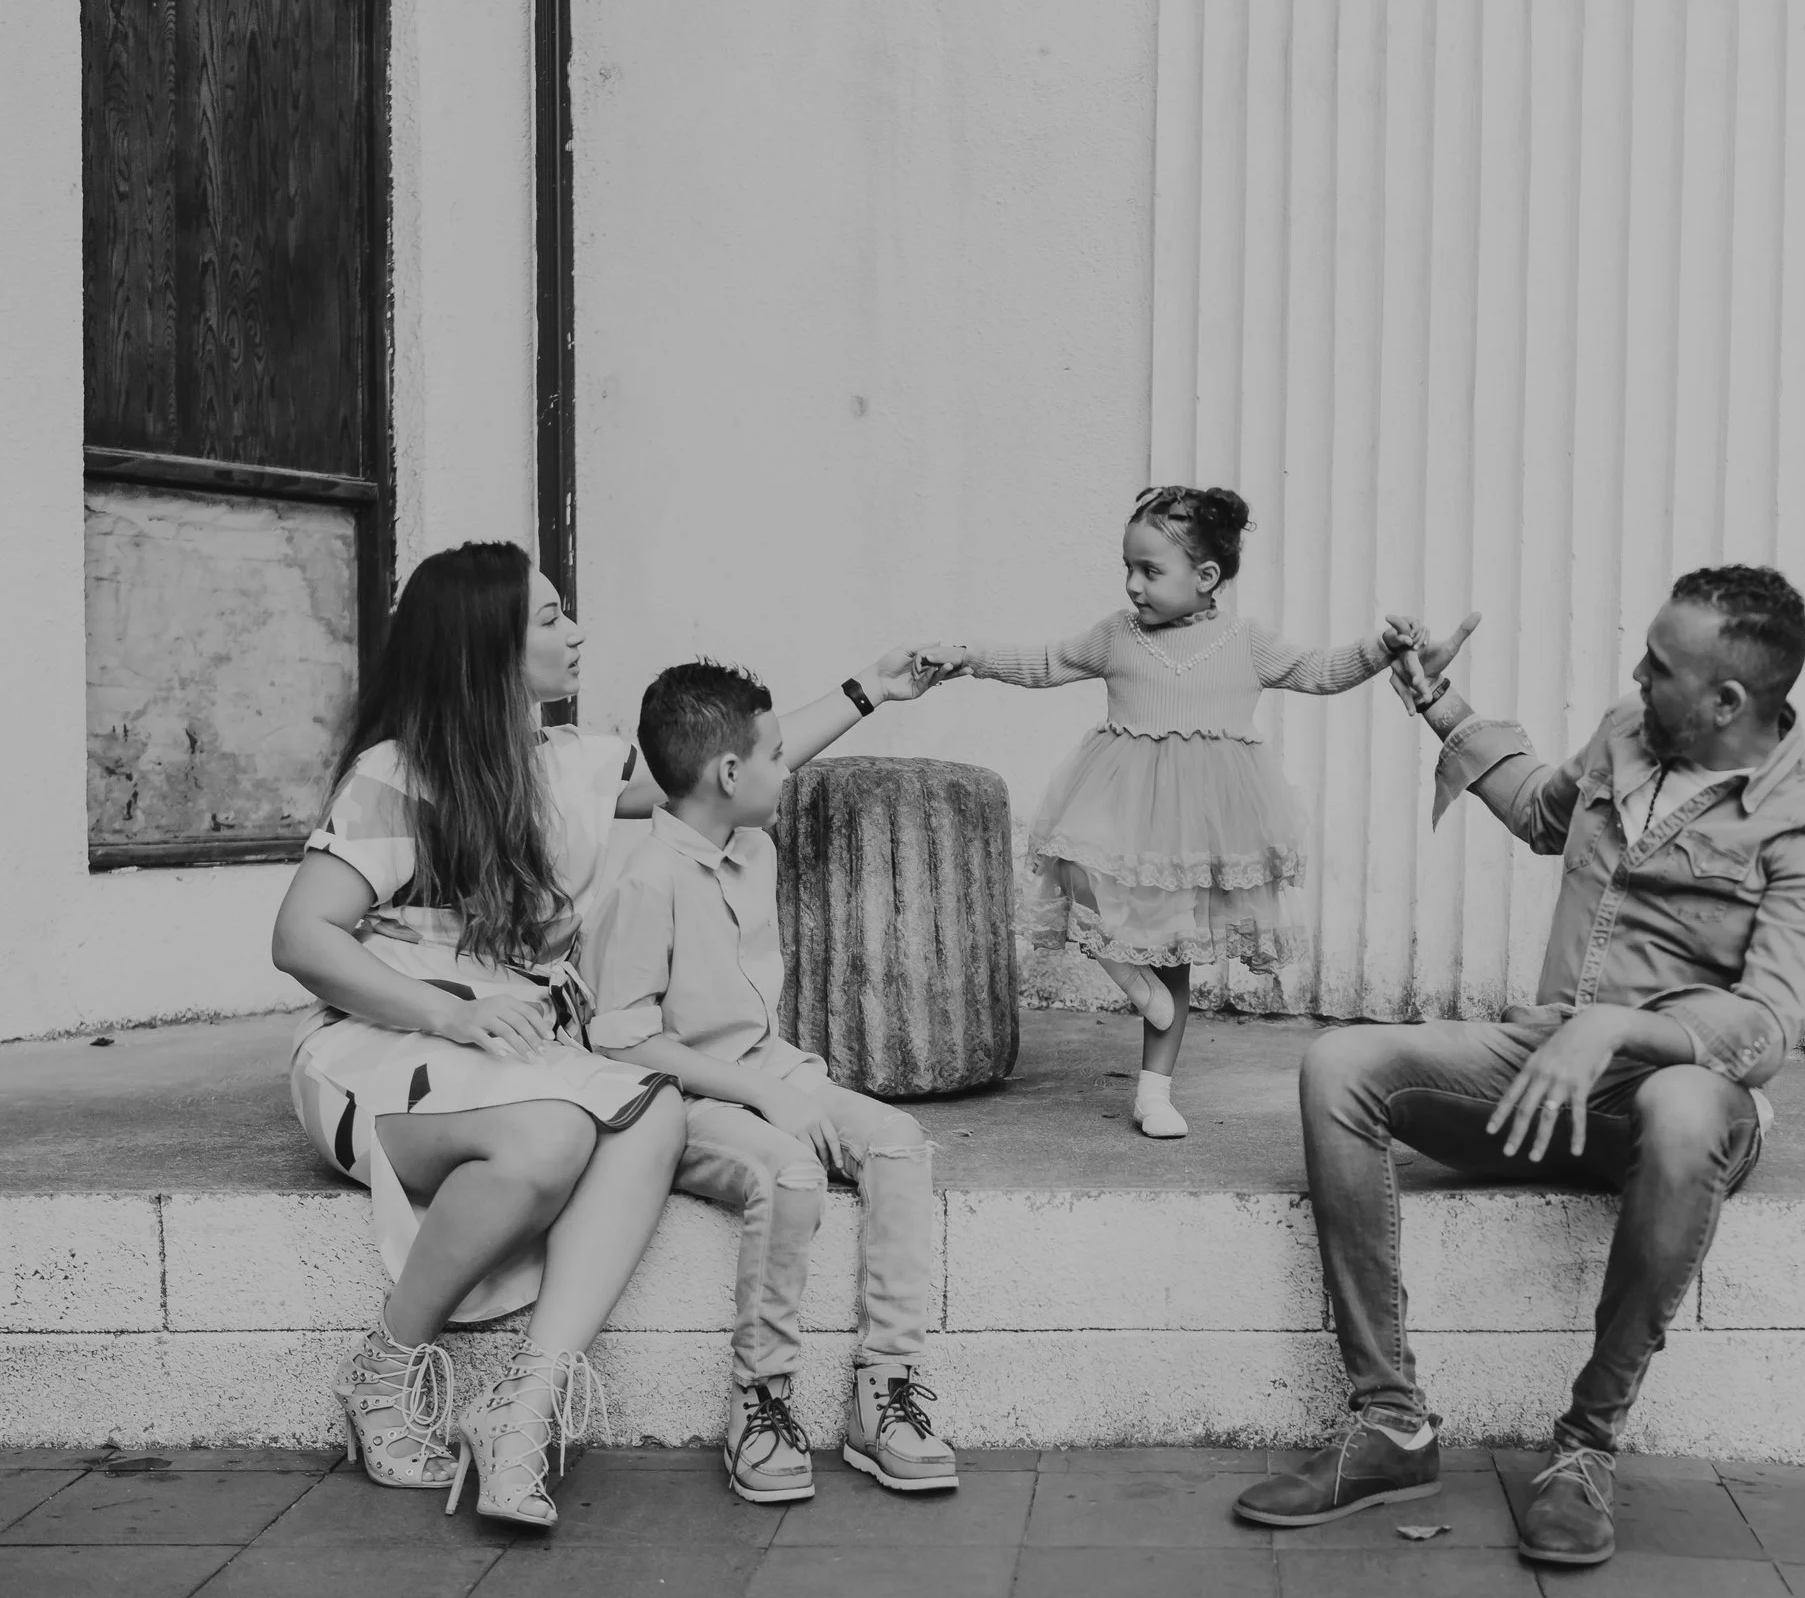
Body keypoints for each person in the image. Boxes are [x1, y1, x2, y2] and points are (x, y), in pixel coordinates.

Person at [271, 541, 937, 1529]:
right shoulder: (396, 777)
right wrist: (452, 1011)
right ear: (485, 649)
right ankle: (383, 1372)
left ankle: (523, 1405)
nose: (574, 632)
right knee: (555, 1133)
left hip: (522, 1060)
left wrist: (867, 689)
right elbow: (300, 936)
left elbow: (728, 762)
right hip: (386, 1059)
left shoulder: (569, 765)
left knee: (650, 1110)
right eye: (547, 618)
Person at [1232, 565, 1805, 1566]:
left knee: (1688, 1109)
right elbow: (1542, 810)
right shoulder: (1629, 732)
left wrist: (1614, 1026)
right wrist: (1436, 701)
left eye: (1659, 666)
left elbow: (1765, 1026)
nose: (1634, 673)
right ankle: (1390, 1424)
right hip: (1544, 1080)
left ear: (1727, 701)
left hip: (1672, 1111)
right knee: (1339, 1066)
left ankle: (1584, 1452)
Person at [911, 485, 1415, 1139]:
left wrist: (1381, 649)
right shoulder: (1116, 636)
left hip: (1201, 822)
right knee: (1074, 873)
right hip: (1120, 805)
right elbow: (1044, 661)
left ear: (1206, 577)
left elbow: (1320, 670)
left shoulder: (1246, 642)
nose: (1133, 584)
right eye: (1128, 567)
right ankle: (1125, 970)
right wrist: (969, 656)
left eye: (1150, 570)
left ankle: (1155, 1092)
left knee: (1174, 951)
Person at [581, 660, 956, 1503]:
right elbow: (623, 1042)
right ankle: (762, 1399)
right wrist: (762, 1097)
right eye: (776, 754)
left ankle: (883, 1392)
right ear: (727, 773)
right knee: (788, 1176)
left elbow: (755, 1033)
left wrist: (779, 1085)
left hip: (770, 1070)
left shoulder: (753, 846)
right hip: (684, 1099)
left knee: (898, 1145)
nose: (789, 769)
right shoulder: (646, 882)